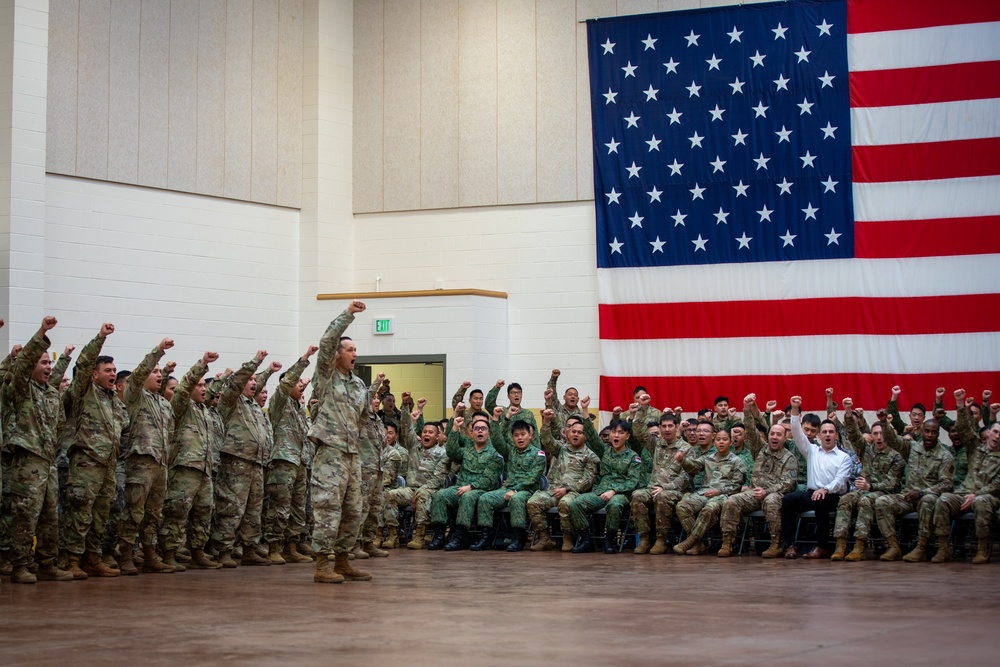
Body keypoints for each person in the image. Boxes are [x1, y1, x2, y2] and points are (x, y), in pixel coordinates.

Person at [308, 300, 378, 584]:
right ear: (337, 355)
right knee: (328, 507)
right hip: (330, 452)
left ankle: (344, 560)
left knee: (353, 509)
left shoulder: (358, 384)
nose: (354, 354)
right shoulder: (326, 377)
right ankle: (323, 564)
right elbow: (326, 342)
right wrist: (347, 315)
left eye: (355, 350)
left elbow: (363, 417)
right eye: (350, 349)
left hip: (352, 455)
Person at [3, 316, 74, 583]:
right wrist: (42, 332)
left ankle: (47, 563)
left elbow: (57, 426)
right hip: (28, 461)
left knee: (49, 516)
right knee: (25, 515)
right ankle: (19, 565)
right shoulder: (21, 389)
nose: (48, 367)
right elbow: (20, 368)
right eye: (43, 362)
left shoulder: (51, 394)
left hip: (49, 462)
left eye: (50, 363)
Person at [61, 322, 129, 579]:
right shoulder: (84, 393)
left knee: (101, 514)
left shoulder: (113, 401)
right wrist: (101, 337)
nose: (112, 374)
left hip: (108, 465)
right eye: (107, 370)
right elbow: (86, 360)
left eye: (114, 370)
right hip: (87, 463)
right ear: (94, 374)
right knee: (80, 513)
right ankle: (71, 560)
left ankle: (93, 558)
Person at [209, 350, 278, 567]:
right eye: (249, 380)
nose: (253, 383)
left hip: (256, 463)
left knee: (253, 510)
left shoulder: (253, 406)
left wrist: (266, 372)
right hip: (236, 462)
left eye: (254, 380)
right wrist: (256, 363)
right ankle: (224, 550)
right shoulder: (231, 401)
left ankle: (249, 548)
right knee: (231, 508)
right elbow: (237, 382)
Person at [118, 337, 177, 576]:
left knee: (154, 513)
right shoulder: (135, 396)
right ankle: (125, 555)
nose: (159, 375)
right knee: (134, 510)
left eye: (159, 373)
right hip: (140, 462)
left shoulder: (163, 404)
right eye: (154, 372)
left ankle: (150, 554)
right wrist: (158, 352)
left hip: (160, 463)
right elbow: (139, 373)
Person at [159, 352, 222, 570]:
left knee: (203, 512)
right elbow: (185, 387)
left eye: (205, 385)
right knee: (177, 512)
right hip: (185, 468)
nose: (204, 389)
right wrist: (202, 364)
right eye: (200, 385)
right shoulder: (180, 406)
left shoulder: (204, 410)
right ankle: (168, 554)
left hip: (204, 469)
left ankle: (198, 553)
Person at [718, 394, 798, 558]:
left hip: (775, 494)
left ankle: (776, 544)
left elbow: (788, 483)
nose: (774, 437)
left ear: (784, 438)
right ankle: (727, 542)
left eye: (778, 435)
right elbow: (751, 430)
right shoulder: (760, 449)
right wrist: (747, 409)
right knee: (731, 501)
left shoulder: (790, 457)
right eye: (772, 434)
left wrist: (767, 492)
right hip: (754, 492)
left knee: (771, 500)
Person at [929, 391, 1000, 564]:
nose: (998, 436)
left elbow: (998, 484)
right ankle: (943, 548)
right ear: (989, 432)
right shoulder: (975, 447)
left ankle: (982, 549)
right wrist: (960, 404)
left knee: (981, 501)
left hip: (988, 496)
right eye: (996, 432)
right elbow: (962, 429)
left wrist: (977, 495)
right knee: (943, 500)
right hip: (963, 493)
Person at [830, 398, 904, 561]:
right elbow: (853, 434)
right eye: (875, 433)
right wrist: (848, 411)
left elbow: (891, 484)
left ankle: (859, 545)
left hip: (883, 492)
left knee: (866, 501)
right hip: (864, 490)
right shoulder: (866, 450)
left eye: (882, 434)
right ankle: (841, 544)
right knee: (846, 499)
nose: (878, 437)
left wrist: (870, 486)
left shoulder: (896, 457)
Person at [875, 412, 954, 561]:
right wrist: (884, 422)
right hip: (908, 496)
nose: (930, 435)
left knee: (927, 500)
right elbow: (892, 440)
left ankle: (921, 547)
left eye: (933, 432)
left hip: (929, 497)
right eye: (927, 431)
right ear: (922, 431)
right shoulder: (912, 447)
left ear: (938, 434)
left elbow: (946, 484)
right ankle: (893, 546)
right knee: (882, 502)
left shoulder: (945, 455)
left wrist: (922, 493)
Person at [779, 396, 852, 559]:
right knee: (788, 500)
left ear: (836, 436)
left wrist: (825, 489)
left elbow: (840, 480)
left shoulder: (844, 457)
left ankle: (822, 546)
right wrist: (795, 409)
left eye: (831, 432)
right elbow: (797, 431)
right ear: (819, 435)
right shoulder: (811, 451)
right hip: (811, 493)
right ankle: (790, 545)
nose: (827, 435)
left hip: (832, 496)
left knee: (821, 501)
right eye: (824, 432)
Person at [263, 345, 317, 564]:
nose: (301, 385)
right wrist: (305, 358)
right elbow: (286, 384)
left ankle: (291, 546)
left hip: (300, 463)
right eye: (297, 382)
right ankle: (274, 547)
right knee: (279, 507)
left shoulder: (298, 409)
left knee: (297, 508)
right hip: (283, 462)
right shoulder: (279, 403)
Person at [427, 409, 504, 551]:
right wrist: (455, 428)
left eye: (483, 429)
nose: (480, 431)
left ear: (489, 433)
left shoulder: (494, 455)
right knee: (440, 495)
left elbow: (489, 481)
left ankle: (459, 535)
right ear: (472, 432)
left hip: (481, 491)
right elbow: (451, 451)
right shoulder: (467, 449)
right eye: (477, 429)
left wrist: (471, 487)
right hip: (460, 488)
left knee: (467, 497)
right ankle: (439, 534)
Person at [527, 409, 600, 551]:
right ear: (567, 433)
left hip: (575, 492)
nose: (576, 434)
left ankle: (568, 538)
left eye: (580, 432)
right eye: (573, 432)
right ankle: (544, 538)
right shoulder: (561, 449)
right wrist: (546, 421)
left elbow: (588, 480)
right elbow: (547, 440)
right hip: (554, 489)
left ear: (585, 436)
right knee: (533, 502)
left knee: (565, 503)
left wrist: (567, 489)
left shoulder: (590, 456)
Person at [472, 411, 545, 551]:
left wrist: (515, 489)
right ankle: (485, 536)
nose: (520, 438)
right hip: (506, 489)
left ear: (531, 436)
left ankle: (518, 537)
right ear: (512, 438)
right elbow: (496, 438)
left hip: (527, 491)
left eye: (523, 434)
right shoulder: (510, 451)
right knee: (485, 498)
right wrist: (499, 419)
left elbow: (533, 478)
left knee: (516, 499)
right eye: (516, 435)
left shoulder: (538, 454)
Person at [568, 419, 642, 553]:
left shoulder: (633, 457)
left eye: (621, 432)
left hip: (621, 494)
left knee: (614, 505)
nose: (616, 435)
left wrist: (614, 491)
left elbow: (632, 482)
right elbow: (591, 436)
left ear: (627, 436)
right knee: (576, 504)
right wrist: (585, 412)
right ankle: (586, 540)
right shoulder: (605, 451)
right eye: (614, 432)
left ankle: (609, 540)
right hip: (601, 492)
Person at [630, 394, 691, 555]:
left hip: (675, 491)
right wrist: (642, 408)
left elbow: (685, 478)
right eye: (663, 426)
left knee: (662, 497)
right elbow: (637, 431)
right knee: (637, 495)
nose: (666, 429)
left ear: (677, 427)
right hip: (653, 488)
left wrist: (664, 487)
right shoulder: (656, 444)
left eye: (670, 426)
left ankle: (661, 539)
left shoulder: (686, 448)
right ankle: (644, 538)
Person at [672, 428, 746, 555]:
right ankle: (698, 544)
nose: (721, 442)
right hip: (705, 492)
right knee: (682, 506)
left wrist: (719, 491)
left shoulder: (736, 461)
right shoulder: (708, 458)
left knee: (709, 508)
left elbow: (737, 486)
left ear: (731, 442)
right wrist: (682, 460)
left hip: (723, 495)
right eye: (718, 439)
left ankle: (690, 541)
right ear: (714, 442)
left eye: (724, 439)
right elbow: (694, 466)